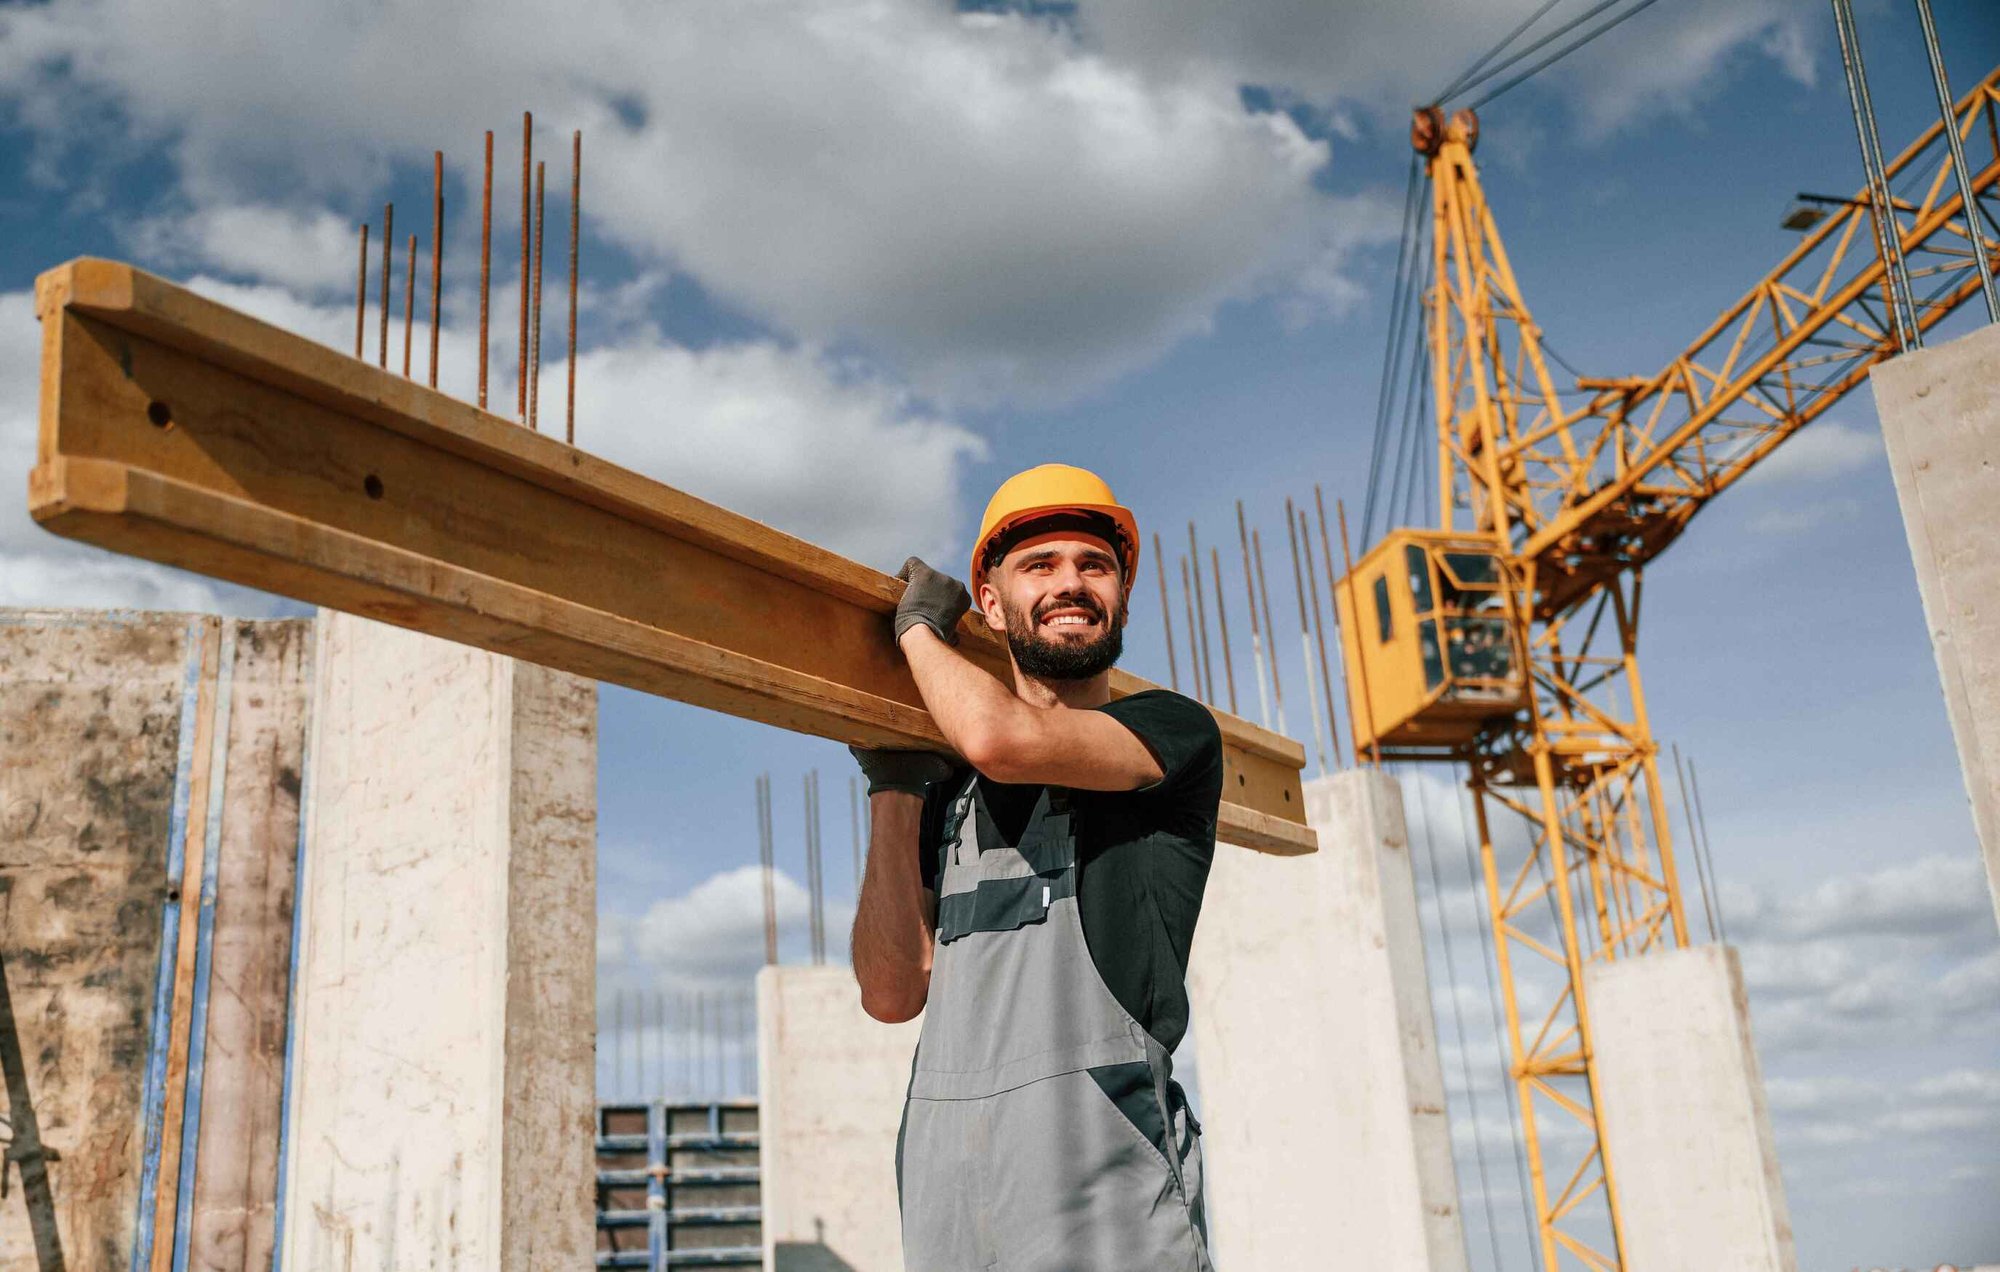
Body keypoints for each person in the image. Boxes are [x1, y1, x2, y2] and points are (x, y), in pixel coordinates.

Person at [848, 463, 1221, 1272]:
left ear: (1122, 594)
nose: (1071, 584)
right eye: (1039, 566)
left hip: (1102, 1186)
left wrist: (916, 630)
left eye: (1095, 565)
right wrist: (893, 789)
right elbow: (889, 992)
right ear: (990, 602)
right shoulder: (949, 797)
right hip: (947, 1195)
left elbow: (1002, 742)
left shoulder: (1168, 736)